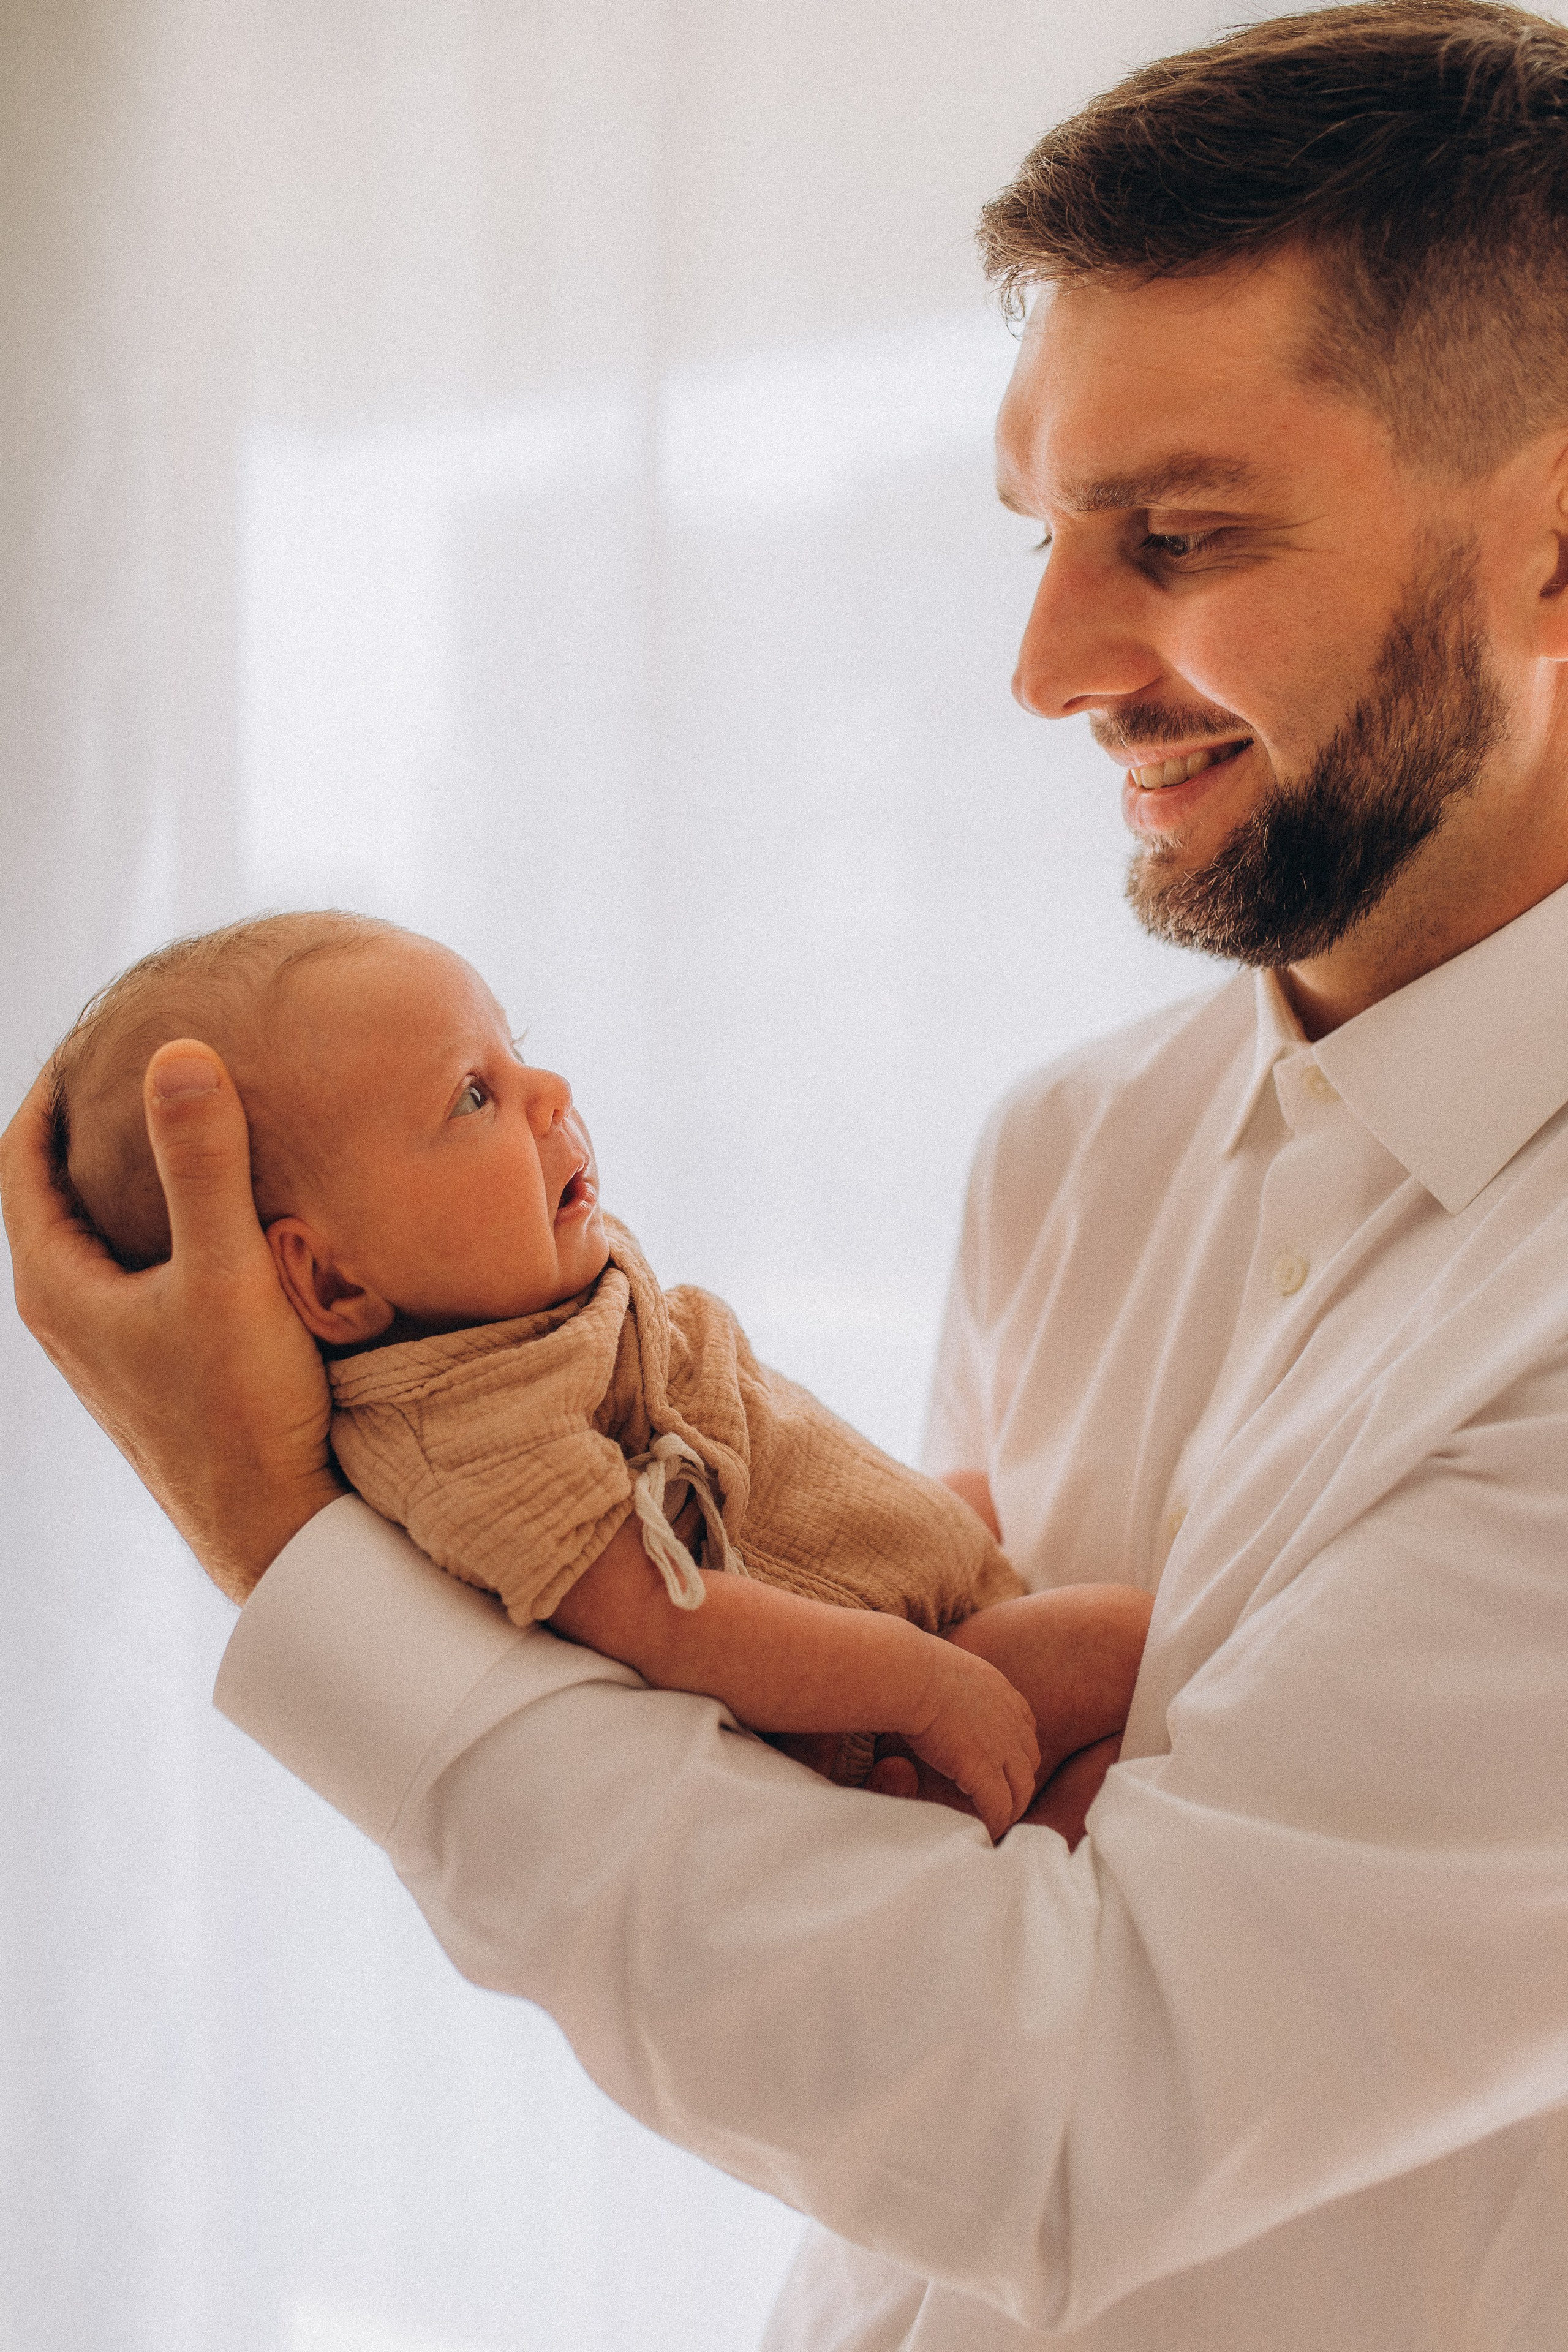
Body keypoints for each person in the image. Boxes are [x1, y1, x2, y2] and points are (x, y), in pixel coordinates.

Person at [7, 1, 1568, 2343]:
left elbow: (1062, 2106)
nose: (1048, 665)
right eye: (1046, 533)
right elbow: (873, 1883)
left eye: (1177, 534)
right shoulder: (1070, 1155)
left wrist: (284, 1544)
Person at [47, 910, 1152, 1839]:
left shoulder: (513, 1289)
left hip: (898, 1569)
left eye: (515, 1048)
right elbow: (664, 1621)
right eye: (472, 1097)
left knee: (1022, 1492)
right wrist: (924, 1683)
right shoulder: (462, 1431)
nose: (548, 1090)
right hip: (896, 1686)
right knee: (1128, 1642)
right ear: (334, 1286)